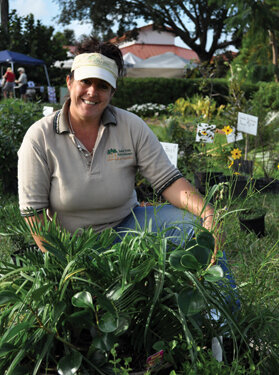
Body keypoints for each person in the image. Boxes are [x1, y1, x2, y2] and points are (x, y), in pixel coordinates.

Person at [18, 37, 224, 262]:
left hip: (128, 228)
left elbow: (169, 181)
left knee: (196, 230)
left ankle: (222, 296)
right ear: (69, 82)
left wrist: (208, 212)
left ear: (112, 92)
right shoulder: (40, 137)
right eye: (85, 81)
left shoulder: (131, 126)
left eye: (103, 85)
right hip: (73, 244)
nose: (92, 92)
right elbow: (34, 214)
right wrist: (63, 265)